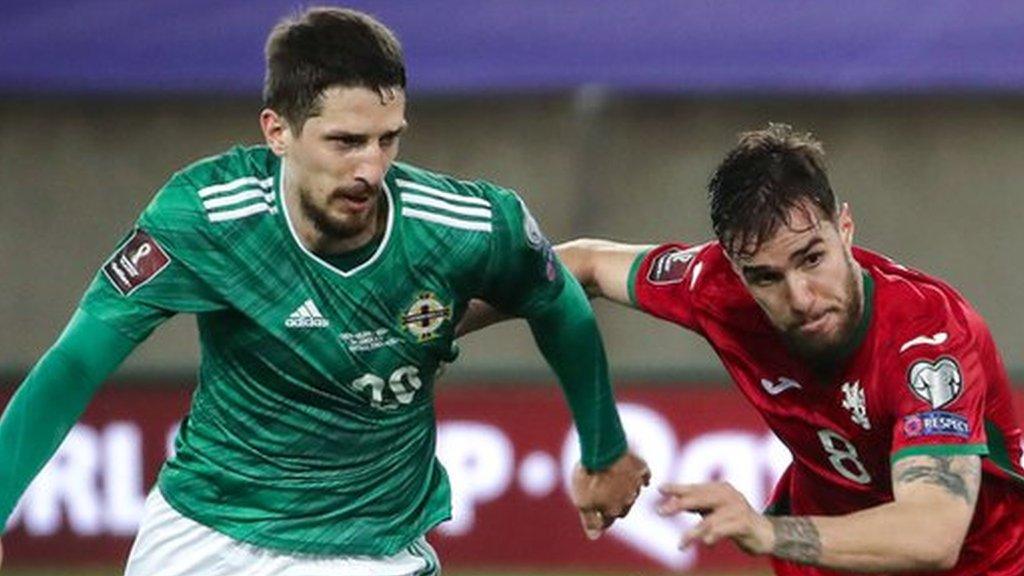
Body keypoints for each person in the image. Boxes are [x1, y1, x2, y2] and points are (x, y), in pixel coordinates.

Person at [0, 7, 650, 575]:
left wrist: (603, 447)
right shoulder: (206, 218)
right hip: (202, 533)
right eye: (344, 141)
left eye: (387, 139)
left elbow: (556, 302)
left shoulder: (470, 225)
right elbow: (79, 359)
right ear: (277, 131)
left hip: (366, 550)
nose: (369, 167)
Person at [461, 123, 1024, 574]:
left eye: (812, 258)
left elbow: (933, 533)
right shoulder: (714, 287)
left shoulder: (929, 340)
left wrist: (766, 530)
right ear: (735, 271)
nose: (801, 297)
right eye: (766, 278)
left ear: (845, 228)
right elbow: (579, 265)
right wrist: (430, 327)